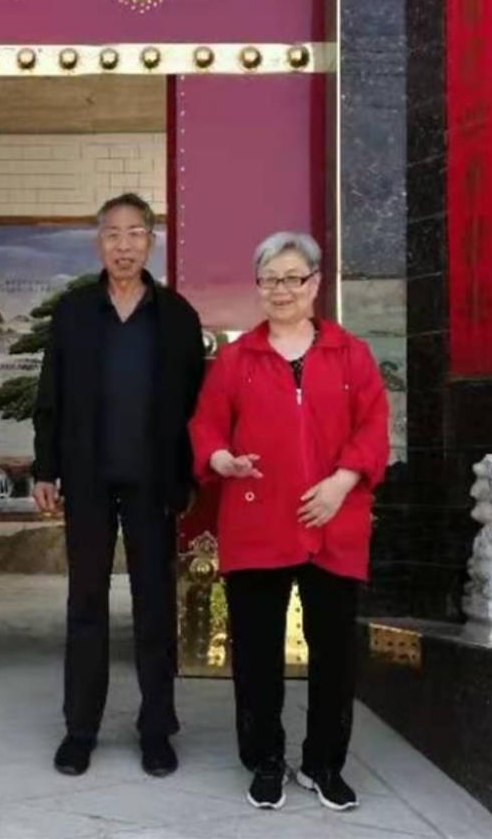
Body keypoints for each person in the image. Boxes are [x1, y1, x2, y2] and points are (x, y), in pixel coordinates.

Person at [189, 231, 389, 812]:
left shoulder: (351, 354)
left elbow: (373, 426)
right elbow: (206, 425)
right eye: (270, 279)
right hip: (257, 522)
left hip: (334, 522)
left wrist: (341, 483)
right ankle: (265, 759)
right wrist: (220, 459)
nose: (282, 289)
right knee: (256, 655)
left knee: (334, 656)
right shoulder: (236, 360)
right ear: (258, 287)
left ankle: (324, 763)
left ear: (315, 283)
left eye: (293, 278)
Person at [33, 193, 205, 778]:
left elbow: (196, 407)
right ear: (98, 242)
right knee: (85, 604)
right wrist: (45, 468)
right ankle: (80, 729)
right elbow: (50, 395)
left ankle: (156, 729)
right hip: (87, 481)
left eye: (135, 234)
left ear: (151, 241)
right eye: (113, 234)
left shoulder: (177, 316)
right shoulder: (75, 312)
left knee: (154, 606)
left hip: (152, 485)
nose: (124, 246)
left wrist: (186, 477)